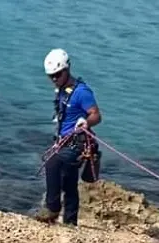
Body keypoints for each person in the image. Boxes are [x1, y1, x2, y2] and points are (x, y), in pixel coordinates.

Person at [35, 48, 102, 226]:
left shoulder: (82, 92)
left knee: (52, 163)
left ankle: (52, 208)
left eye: (57, 75)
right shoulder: (63, 90)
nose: (54, 79)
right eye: (51, 76)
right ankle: (70, 222)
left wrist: (86, 123)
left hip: (77, 144)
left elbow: (96, 115)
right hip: (63, 142)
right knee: (69, 183)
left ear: (67, 70)